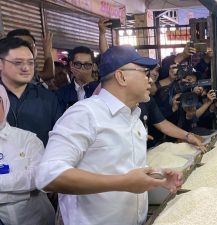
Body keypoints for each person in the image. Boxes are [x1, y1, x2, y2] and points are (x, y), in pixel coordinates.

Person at [35, 45, 183, 225]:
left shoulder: (133, 116)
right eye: (145, 72)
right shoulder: (85, 114)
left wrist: (158, 177)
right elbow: (48, 176)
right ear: (121, 76)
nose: (150, 79)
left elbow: (123, 168)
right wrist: (123, 183)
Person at [0, 84, 55, 225]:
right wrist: (21, 190)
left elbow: (38, 177)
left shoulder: (28, 139)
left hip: (37, 220)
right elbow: (26, 180)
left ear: (5, 103)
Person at [0, 37, 62, 145]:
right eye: (18, 62)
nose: (26, 68)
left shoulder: (48, 99)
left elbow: (60, 139)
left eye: (30, 62)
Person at [56, 46, 98, 112]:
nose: (82, 68)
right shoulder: (61, 94)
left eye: (87, 65)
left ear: (93, 66)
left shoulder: (101, 90)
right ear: (71, 65)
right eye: (78, 64)